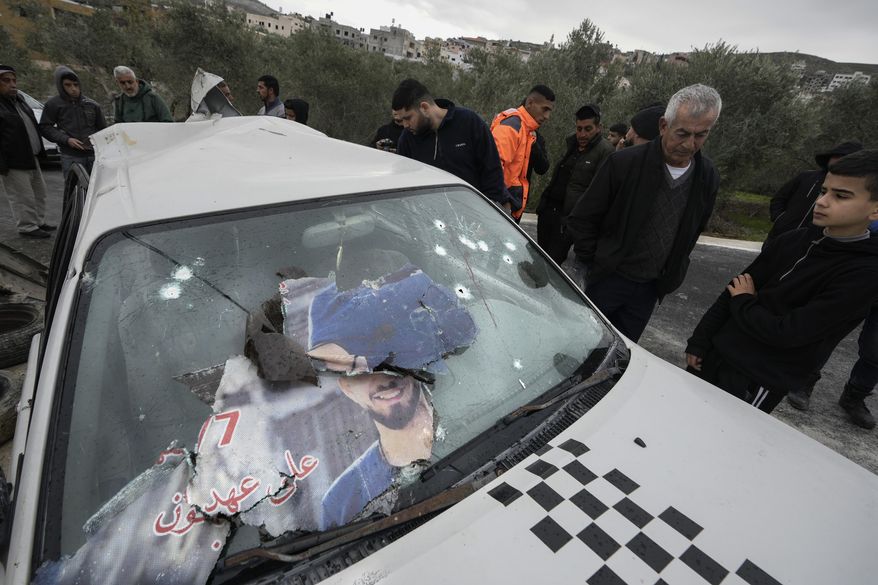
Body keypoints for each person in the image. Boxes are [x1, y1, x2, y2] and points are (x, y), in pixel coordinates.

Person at [685, 150, 878, 415]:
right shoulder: (793, 240)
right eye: (824, 191)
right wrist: (700, 341)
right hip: (714, 355)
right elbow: (733, 289)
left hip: (758, 378)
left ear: (875, 208)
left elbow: (789, 332)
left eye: (841, 196)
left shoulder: (863, 273)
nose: (822, 202)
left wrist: (744, 301)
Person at [306, 264, 477, 529]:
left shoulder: (482, 417)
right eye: (357, 370)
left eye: (388, 356)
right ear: (346, 387)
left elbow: (463, 329)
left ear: (418, 355)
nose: (382, 375)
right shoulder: (342, 503)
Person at [566, 84, 722, 342]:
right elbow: (583, 219)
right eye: (682, 133)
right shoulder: (624, 164)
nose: (689, 144)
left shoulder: (707, 177)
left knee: (619, 357)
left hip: (649, 290)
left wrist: (672, 274)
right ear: (663, 125)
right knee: (578, 343)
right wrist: (598, 262)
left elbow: (693, 231)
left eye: (700, 135)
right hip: (606, 280)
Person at [392, 79, 511, 210]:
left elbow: (492, 173)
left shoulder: (469, 123)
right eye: (401, 120)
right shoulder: (407, 139)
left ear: (424, 108)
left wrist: (492, 214)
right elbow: (404, 187)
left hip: (476, 216)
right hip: (430, 221)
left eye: (408, 118)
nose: (405, 125)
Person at [536, 104, 614, 265]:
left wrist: (576, 221)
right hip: (549, 211)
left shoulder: (605, 152)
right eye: (579, 129)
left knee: (551, 265)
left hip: (568, 220)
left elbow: (597, 193)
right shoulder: (571, 143)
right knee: (538, 259)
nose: (582, 134)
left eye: (588, 129)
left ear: (598, 128)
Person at [766, 141, 863, 241]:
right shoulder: (806, 177)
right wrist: (779, 219)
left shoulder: (850, 188)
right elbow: (779, 198)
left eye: (845, 158)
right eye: (837, 156)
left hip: (811, 241)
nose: (839, 160)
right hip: (779, 234)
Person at [0, 64, 53, 238]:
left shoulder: (20, 101)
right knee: (23, 196)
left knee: (40, 192)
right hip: (13, 161)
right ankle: (28, 227)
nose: (12, 84)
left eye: (14, 80)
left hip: (32, 156)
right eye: (6, 81)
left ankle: (38, 222)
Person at [490, 85, 555, 220]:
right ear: (530, 103)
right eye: (545, 109)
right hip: (500, 207)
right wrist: (504, 201)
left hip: (508, 207)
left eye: (549, 111)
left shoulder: (528, 130)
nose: (547, 116)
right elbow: (492, 167)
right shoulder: (512, 126)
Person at [39, 66, 107, 178]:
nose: (73, 88)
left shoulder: (92, 105)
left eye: (76, 84)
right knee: (73, 190)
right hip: (70, 156)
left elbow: (103, 129)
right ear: (60, 86)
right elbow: (45, 127)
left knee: (97, 189)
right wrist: (66, 139)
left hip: (94, 155)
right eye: (68, 85)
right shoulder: (53, 104)